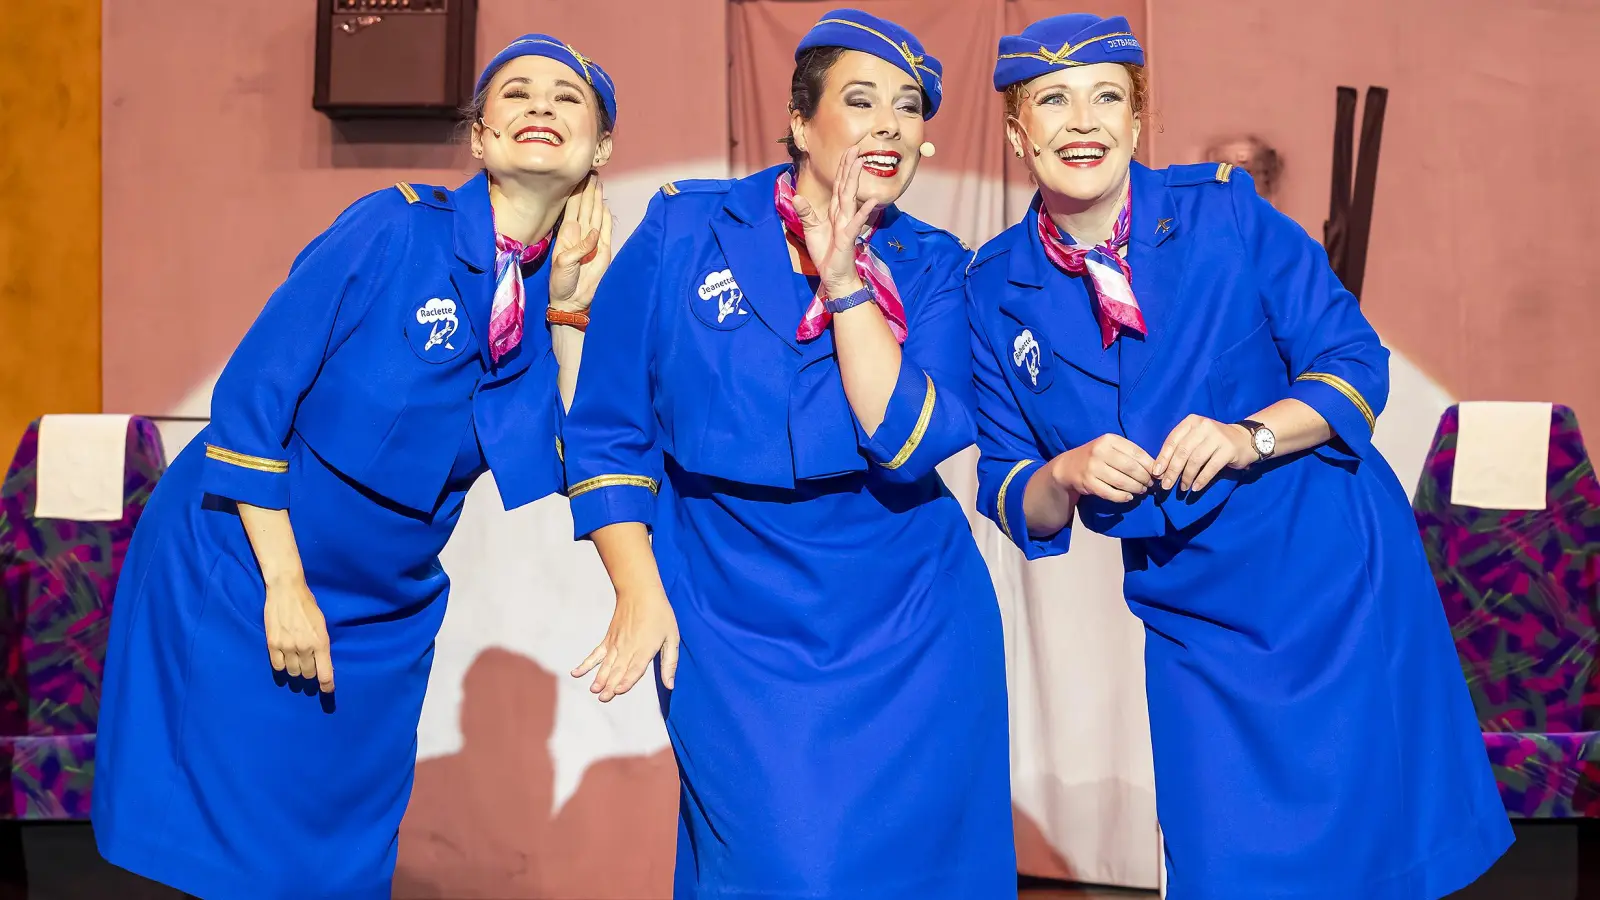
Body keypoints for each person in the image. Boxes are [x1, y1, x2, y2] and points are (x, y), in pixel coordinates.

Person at [968, 14, 1512, 900]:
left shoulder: (1226, 213)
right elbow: (1004, 487)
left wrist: (1246, 435)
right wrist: (1060, 476)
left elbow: (1355, 366)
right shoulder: (991, 290)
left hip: (1332, 578)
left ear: (1138, 122)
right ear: (1016, 131)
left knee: (1376, 861)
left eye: (1107, 97)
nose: (1083, 121)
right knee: (1225, 864)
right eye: (1053, 101)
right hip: (1192, 618)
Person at [91, 34, 618, 900]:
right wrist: (284, 586)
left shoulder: (537, 307)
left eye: (568, 99)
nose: (540, 107)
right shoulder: (393, 228)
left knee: (332, 868)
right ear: (479, 139)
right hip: (242, 566)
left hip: (382, 611)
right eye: (515, 93)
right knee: (216, 857)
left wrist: (568, 310)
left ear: (599, 151)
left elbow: (560, 462)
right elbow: (253, 401)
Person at [561, 9, 1015, 897]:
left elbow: (912, 440)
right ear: (803, 123)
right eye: (861, 100)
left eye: (909, 108)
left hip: (908, 619)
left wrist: (845, 279)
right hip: (729, 613)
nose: (889, 124)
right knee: (779, 866)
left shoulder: (931, 266)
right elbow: (609, 429)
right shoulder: (683, 232)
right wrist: (638, 588)